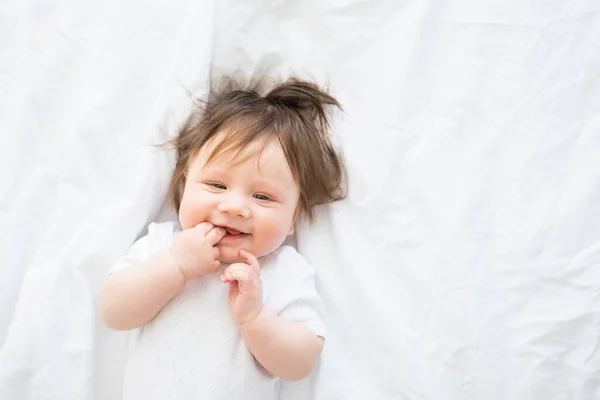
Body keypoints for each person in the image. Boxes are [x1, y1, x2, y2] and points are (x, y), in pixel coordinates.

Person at [100, 76, 346, 399]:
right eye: (217, 186)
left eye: (262, 197)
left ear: (293, 219)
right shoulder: (164, 244)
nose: (235, 207)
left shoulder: (282, 271)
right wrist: (175, 266)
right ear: (184, 185)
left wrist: (255, 318)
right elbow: (112, 310)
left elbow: (302, 363)